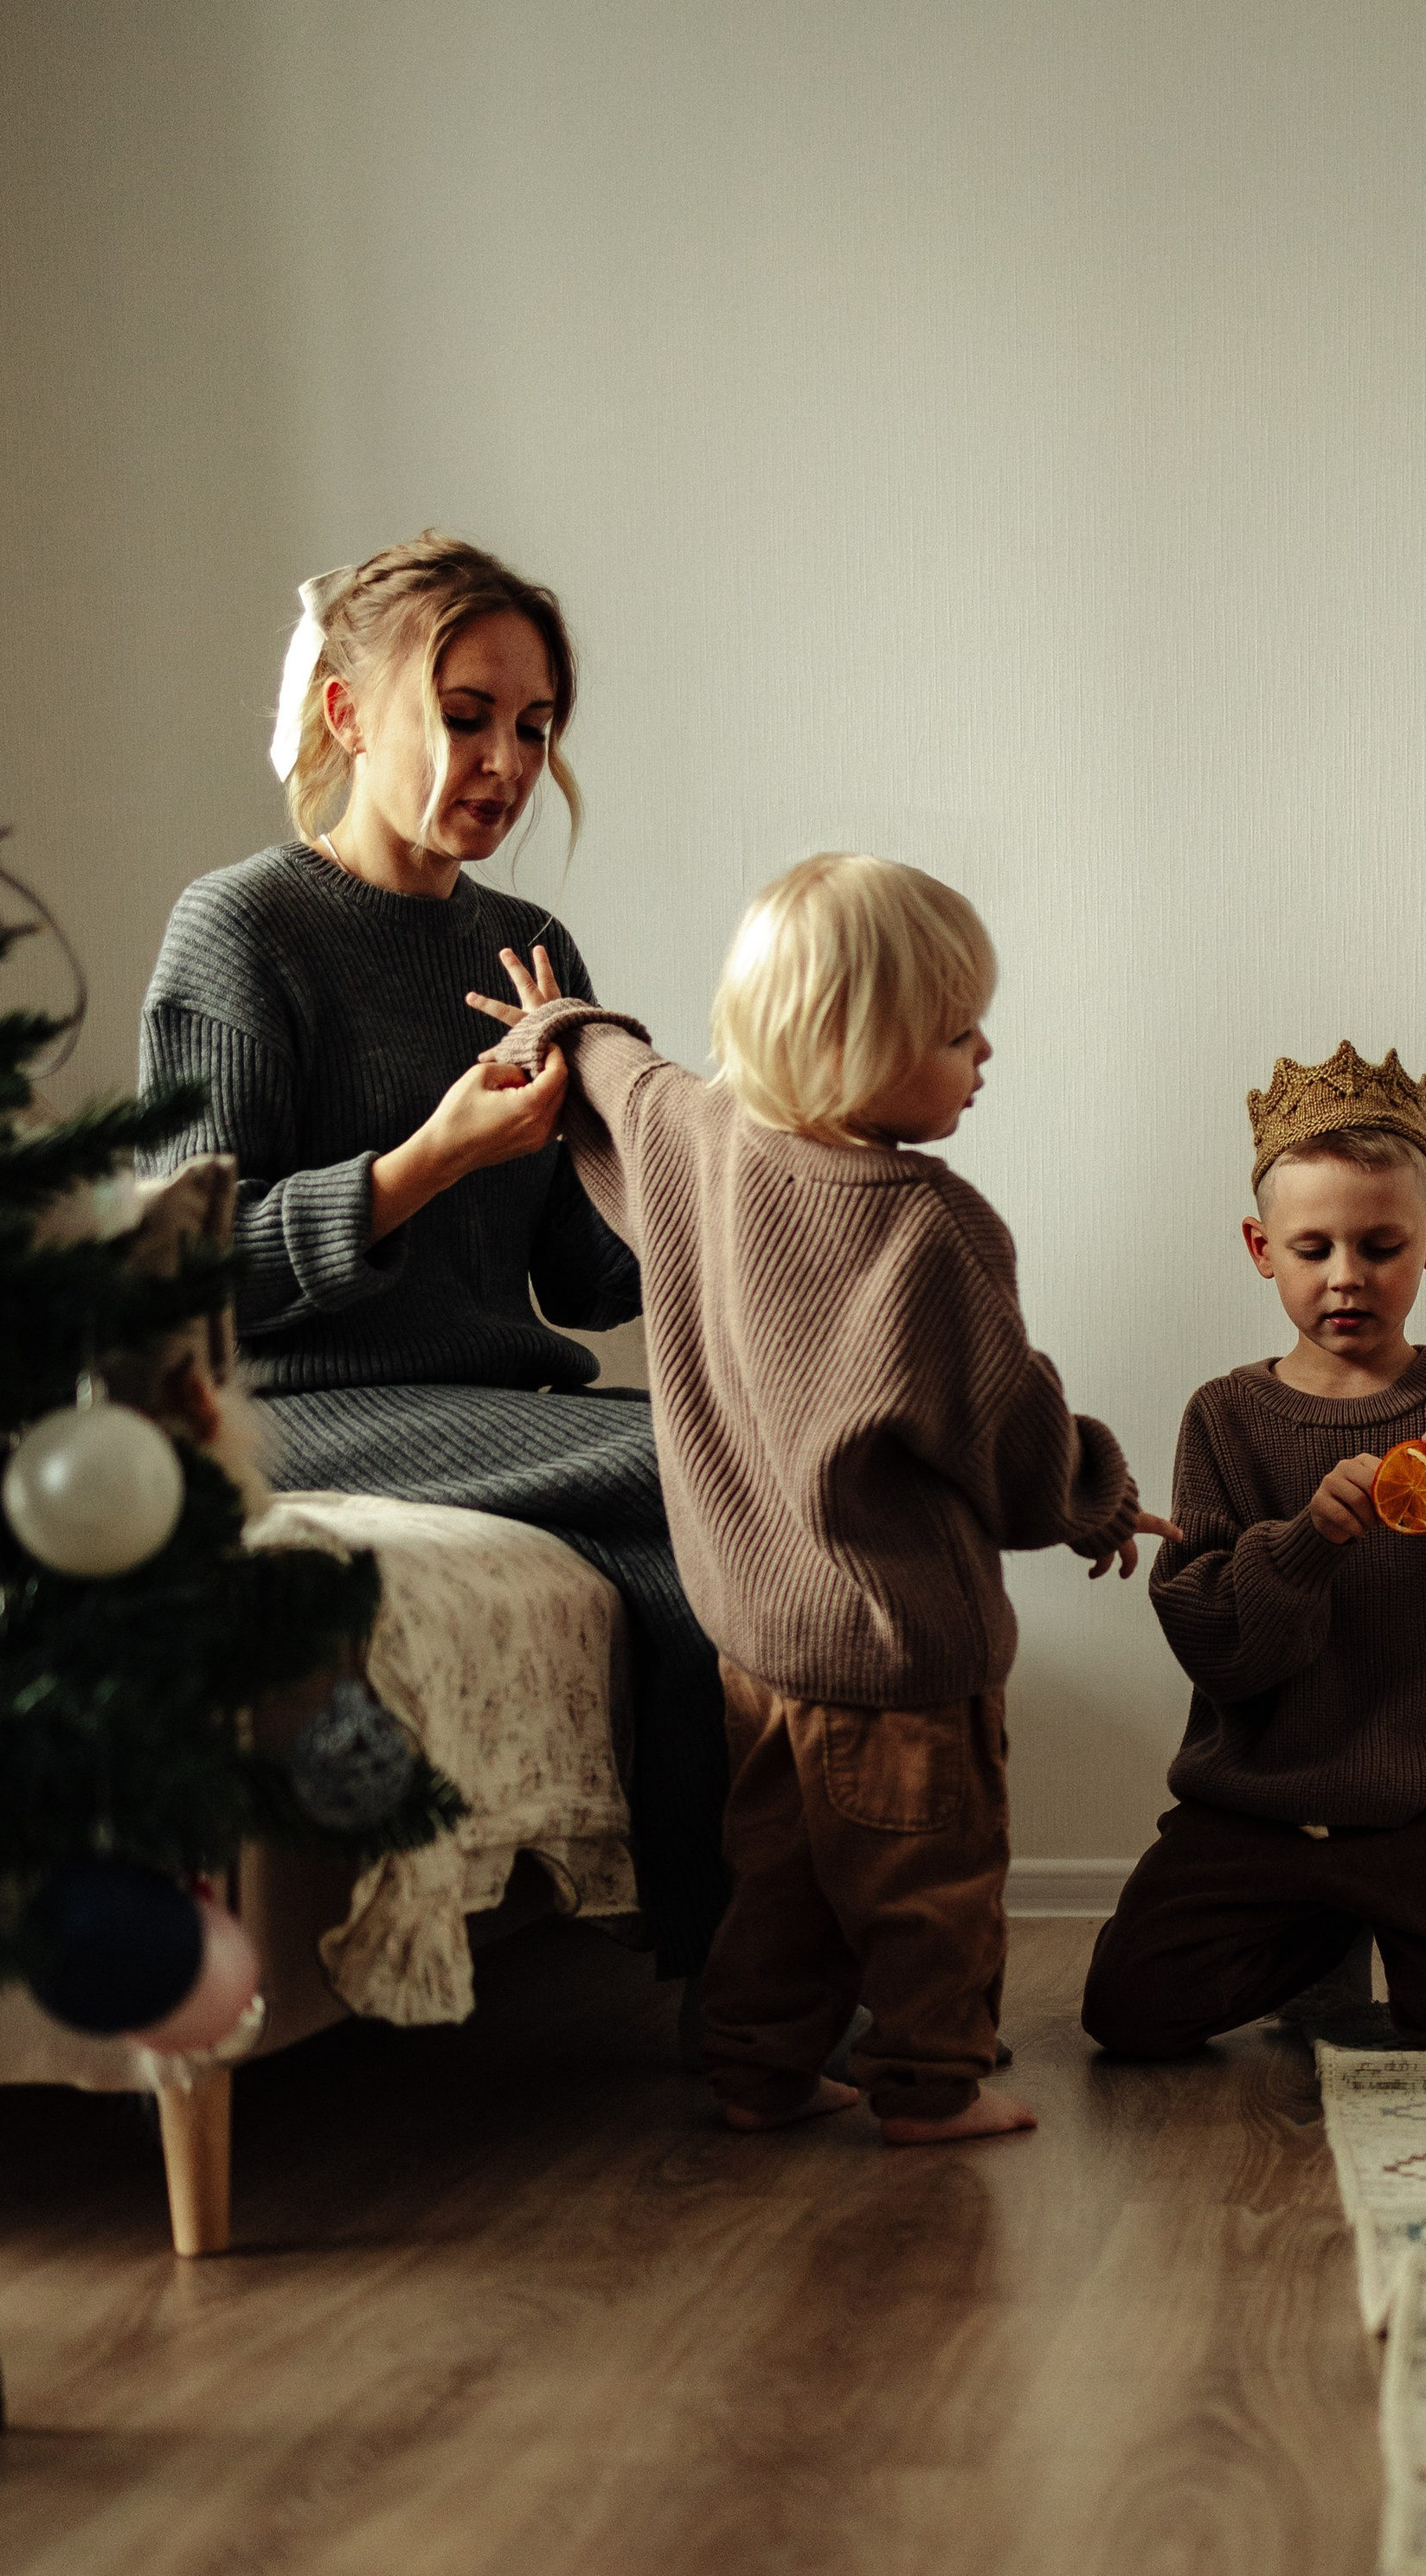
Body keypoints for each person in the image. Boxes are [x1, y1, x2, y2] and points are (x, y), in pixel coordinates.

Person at [480, 856, 1170, 2143]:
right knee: (930, 1889)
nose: (986, 1052)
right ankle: (929, 2085)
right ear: (863, 1048)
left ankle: (759, 2071)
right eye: (959, 1031)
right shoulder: (935, 1230)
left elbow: (620, 1084)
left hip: (755, 1647)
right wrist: (1096, 1494)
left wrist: (554, 1024)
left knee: (778, 1884)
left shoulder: (706, 1148)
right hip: (902, 1654)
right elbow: (1008, 1434)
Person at [137, 533, 728, 1975]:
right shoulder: (244, 928)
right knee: (703, 1461)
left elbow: (591, 1292)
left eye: (535, 727)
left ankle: (736, 1980)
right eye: (467, 715)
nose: (509, 762)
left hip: (480, 1418)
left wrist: (680, 1141)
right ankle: (759, 1983)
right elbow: (181, 1277)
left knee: (702, 1524)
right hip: (281, 1414)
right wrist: (430, 1161)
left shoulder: (534, 943)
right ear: (349, 710)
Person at [1082, 1041, 1426, 2057]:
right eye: (1313, 1248)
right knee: (1129, 2015)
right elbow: (1218, 1649)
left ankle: (1396, 1914)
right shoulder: (1226, 1419)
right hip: (1261, 1811)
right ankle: (1324, 1922)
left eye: (1380, 1246)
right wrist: (1305, 1545)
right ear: (1260, 1248)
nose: (1346, 1279)